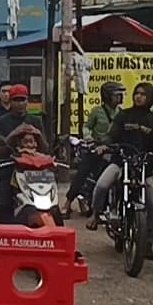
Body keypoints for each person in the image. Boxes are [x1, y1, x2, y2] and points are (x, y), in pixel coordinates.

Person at [86, 82, 153, 231]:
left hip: (144, 166)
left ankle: (149, 236)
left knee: (152, 201)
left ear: (150, 97)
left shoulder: (152, 119)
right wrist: (104, 145)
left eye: (143, 94)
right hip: (121, 160)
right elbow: (111, 134)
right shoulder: (124, 115)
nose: (139, 96)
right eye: (137, 93)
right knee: (101, 185)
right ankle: (95, 215)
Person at [62, 81, 124, 217]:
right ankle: (67, 203)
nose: (120, 97)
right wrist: (88, 138)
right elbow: (87, 127)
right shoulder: (97, 111)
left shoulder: (121, 113)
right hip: (95, 148)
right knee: (82, 173)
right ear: (108, 96)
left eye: (121, 94)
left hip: (112, 149)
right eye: (117, 94)